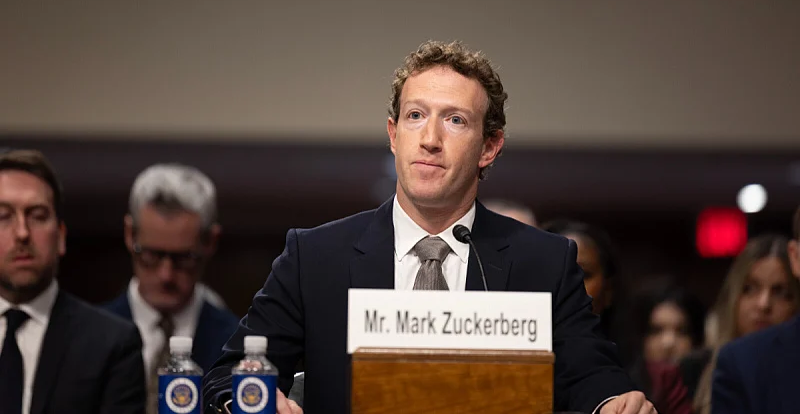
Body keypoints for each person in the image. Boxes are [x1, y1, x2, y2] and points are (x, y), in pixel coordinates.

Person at [202, 40, 652, 414]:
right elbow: (229, 374)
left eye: (455, 120)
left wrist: (613, 403)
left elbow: (592, 375)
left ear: (490, 146)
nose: (430, 139)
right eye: (415, 116)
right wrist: (253, 402)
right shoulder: (316, 257)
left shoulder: (545, 262)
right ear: (393, 134)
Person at [0, 149, 145, 414]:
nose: (22, 233)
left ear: (61, 236)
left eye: (37, 216)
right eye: (3, 216)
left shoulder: (111, 343)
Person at [105, 163, 239, 414]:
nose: (166, 275)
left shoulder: (236, 347)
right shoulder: (89, 337)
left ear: (210, 242)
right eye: (151, 255)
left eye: (184, 258)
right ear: (129, 234)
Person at [687, 234, 800, 414]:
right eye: (750, 289)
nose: (763, 304)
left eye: (780, 292)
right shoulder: (691, 372)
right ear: (733, 295)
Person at [625, 281, 706, 414]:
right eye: (656, 331)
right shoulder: (621, 394)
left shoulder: (711, 390)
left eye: (681, 331)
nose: (668, 343)